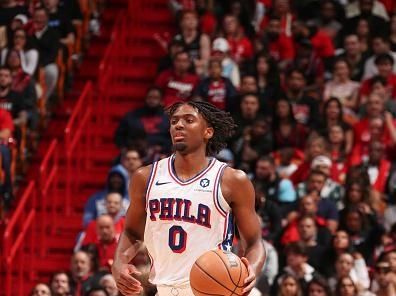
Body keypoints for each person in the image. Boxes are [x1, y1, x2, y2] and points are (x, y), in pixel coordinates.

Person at [112, 101, 266, 295]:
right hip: (164, 290)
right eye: (174, 121)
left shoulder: (232, 180)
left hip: (216, 289)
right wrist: (119, 263)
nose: (178, 124)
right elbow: (132, 232)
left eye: (189, 120)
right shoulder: (145, 177)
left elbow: (254, 241)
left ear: (207, 132)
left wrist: (252, 267)